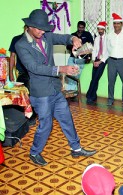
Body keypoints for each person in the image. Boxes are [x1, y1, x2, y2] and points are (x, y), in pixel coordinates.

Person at [15, 9, 96, 166]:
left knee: (66, 118)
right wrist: (62, 69)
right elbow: (34, 68)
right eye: (38, 28)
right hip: (41, 93)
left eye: (43, 28)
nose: (41, 31)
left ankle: (76, 148)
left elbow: (64, 37)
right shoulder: (21, 45)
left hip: (54, 88)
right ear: (29, 26)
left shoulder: (47, 36)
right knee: (46, 125)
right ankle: (34, 152)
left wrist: (74, 39)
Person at [103, 13, 123, 106]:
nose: (116, 25)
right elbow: (107, 49)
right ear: (113, 24)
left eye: (118, 23)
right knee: (111, 81)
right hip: (111, 61)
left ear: (122, 24)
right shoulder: (109, 35)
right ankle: (110, 99)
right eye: (115, 23)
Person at [9, 25, 37, 126]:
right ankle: (27, 117)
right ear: (26, 29)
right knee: (23, 95)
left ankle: (32, 116)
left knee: (33, 94)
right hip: (22, 73)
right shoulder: (16, 40)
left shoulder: (34, 40)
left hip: (33, 72)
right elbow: (12, 57)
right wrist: (10, 73)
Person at [66, 21, 94, 90]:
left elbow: (91, 46)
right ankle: (69, 92)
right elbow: (67, 46)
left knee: (76, 76)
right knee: (69, 75)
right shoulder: (73, 35)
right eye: (79, 27)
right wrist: (74, 46)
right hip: (72, 58)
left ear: (84, 28)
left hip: (81, 59)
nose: (81, 29)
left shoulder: (87, 34)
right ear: (77, 27)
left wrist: (89, 56)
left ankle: (73, 93)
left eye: (82, 28)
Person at [86, 21, 108, 104]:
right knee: (94, 78)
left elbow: (107, 52)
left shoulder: (108, 38)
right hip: (96, 59)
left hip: (103, 60)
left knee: (95, 78)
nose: (100, 30)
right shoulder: (97, 38)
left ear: (104, 29)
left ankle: (89, 95)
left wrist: (100, 62)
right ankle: (93, 95)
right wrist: (93, 60)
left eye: (101, 29)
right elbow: (95, 50)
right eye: (98, 29)